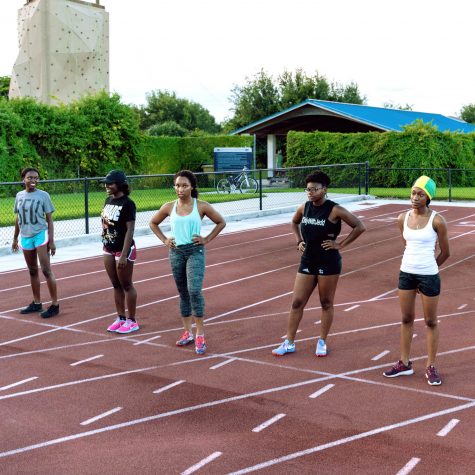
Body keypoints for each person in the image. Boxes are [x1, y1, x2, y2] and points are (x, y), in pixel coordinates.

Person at [272, 170, 365, 357]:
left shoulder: (334, 209)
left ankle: (322, 341)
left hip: (328, 261)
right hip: (308, 259)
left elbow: (359, 226)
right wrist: (298, 240)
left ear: (324, 189)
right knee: (297, 302)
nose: (310, 192)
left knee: (326, 302)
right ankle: (289, 342)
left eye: (315, 189)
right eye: (308, 189)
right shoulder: (304, 207)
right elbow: (294, 223)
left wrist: (340, 245)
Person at [149, 170, 226, 355]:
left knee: (194, 290)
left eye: (184, 185)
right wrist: (165, 240)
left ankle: (200, 333)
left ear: (192, 187)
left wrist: (206, 239)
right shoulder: (169, 207)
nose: (180, 189)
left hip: (195, 252)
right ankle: (187, 332)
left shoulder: (201, 206)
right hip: (176, 253)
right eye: (177, 185)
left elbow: (221, 222)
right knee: (183, 292)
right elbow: (153, 223)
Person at [383, 176, 450, 386]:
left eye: (420, 194)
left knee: (430, 321)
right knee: (406, 318)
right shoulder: (402, 218)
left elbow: (446, 252)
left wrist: (428, 269)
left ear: (428, 197)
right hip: (406, 273)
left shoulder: (437, 220)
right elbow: (407, 243)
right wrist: (414, 267)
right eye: (413, 193)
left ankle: (431, 366)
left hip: (429, 275)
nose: (415, 197)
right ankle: (404, 362)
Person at [12, 167, 60, 318]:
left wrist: (51, 241)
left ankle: (54, 305)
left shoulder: (43, 195)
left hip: (40, 235)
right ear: (23, 179)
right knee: (32, 271)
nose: (33, 181)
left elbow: (49, 220)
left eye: (35, 178)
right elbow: (18, 219)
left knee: (46, 270)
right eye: (30, 178)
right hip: (25, 237)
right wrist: (15, 238)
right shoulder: (19, 196)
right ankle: (37, 303)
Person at [101, 170, 139, 334]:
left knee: (126, 285)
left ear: (120, 184)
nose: (107, 186)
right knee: (115, 284)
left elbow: (130, 230)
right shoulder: (108, 200)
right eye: (106, 183)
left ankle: (132, 320)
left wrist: (123, 254)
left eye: (111, 183)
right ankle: (120, 317)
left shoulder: (128, 203)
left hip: (123, 250)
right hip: (108, 247)